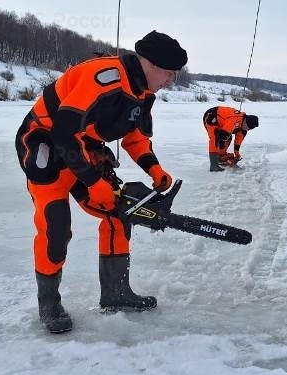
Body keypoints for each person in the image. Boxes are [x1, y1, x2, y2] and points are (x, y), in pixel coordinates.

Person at [14, 30, 187, 333]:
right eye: (168, 73)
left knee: (120, 213)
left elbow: (135, 138)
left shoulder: (144, 94)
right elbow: (64, 133)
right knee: (56, 228)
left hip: (84, 150)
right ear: (149, 63)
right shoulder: (102, 77)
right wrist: (93, 182)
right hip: (45, 147)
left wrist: (154, 169)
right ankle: (49, 304)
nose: (171, 80)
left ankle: (116, 293)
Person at [202, 106, 259, 171]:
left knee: (228, 137)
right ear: (245, 122)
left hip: (222, 122)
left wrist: (237, 154)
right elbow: (223, 137)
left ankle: (220, 156)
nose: (247, 130)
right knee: (215, 138)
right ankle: (213, 165)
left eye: (249, 129)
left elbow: (238, 142)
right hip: (211, 116)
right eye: (247, 128)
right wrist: (221, 146)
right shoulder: (234, 119)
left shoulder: (244, 129)